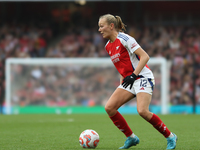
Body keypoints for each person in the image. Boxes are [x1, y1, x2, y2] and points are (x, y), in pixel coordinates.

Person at [98, 14, 177, 149]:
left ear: (111, 26)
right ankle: (131, 138)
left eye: (101, 26)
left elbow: (145, 57)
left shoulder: (125, 39)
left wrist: (134, 75)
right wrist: (122, 82)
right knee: (109, 108)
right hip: (129, 80)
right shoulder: (108, 46)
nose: (99, 29)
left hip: (142, 77)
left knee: (142, 111)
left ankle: (170, 136)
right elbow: (121, 66)